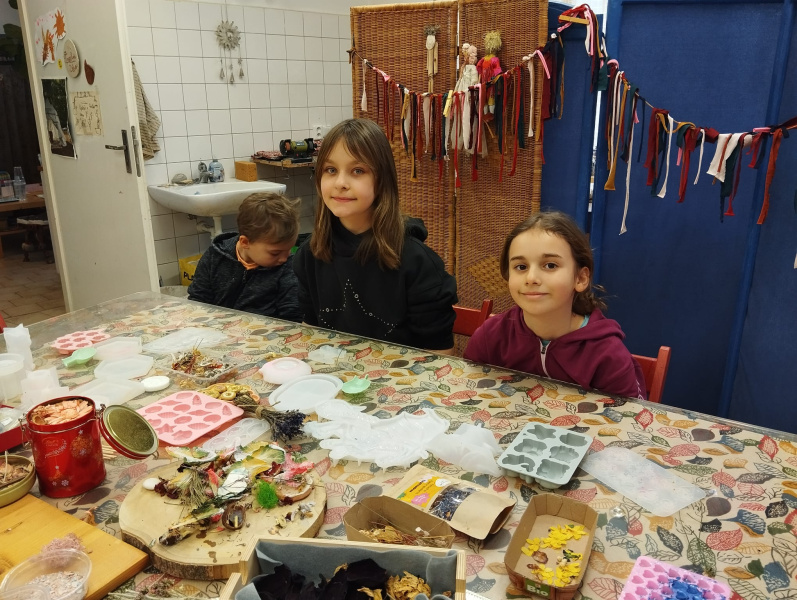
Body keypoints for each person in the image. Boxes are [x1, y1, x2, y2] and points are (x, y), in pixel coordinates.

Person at [293, 118, 458, 352]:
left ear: (382, 180)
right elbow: (311, 333)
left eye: (357, 171)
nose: (340, 183)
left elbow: (440, 354)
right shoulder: (309, 254)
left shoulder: (417, 263)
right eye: (331, 170)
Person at [464, 211, 645, 398]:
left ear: (581, 278)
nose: (531, 278)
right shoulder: (490, 336)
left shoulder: (608, 354)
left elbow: (626, 414)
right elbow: (468, 392)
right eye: (521, 267)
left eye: (550, 265)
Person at [188, 192, 302, 321]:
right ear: (245, 242)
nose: (284, 258)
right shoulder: (215, 256)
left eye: (288, 250)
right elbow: (198, 301)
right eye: (275, 253)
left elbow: (292, 315)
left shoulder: (288, 267)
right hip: (216, 327)